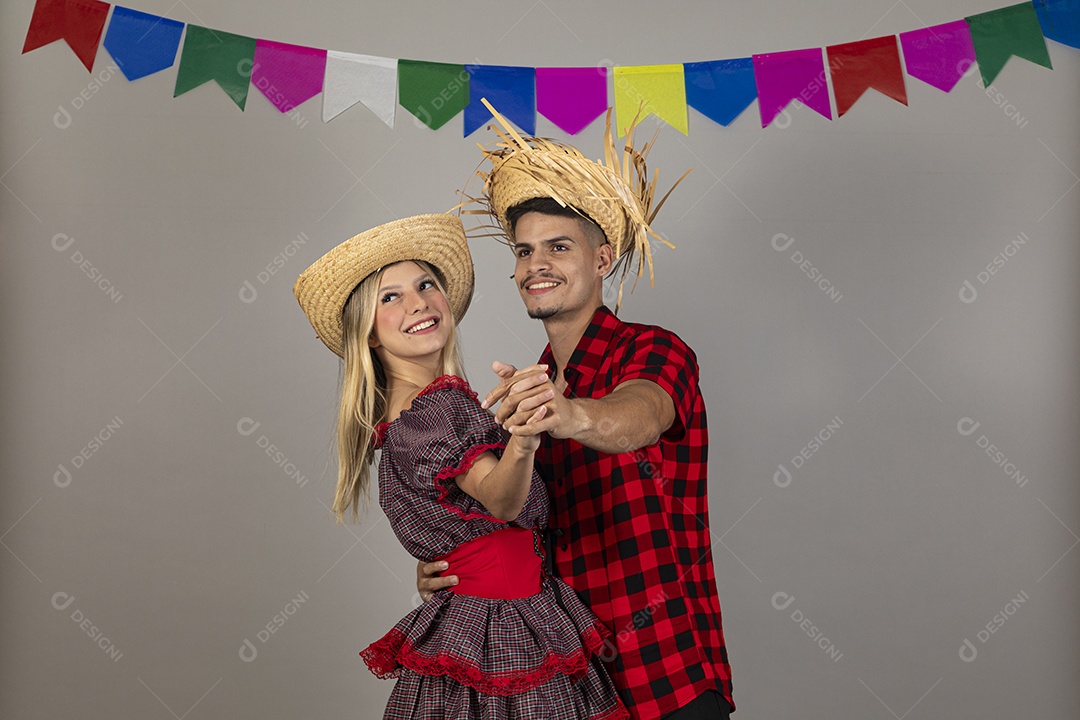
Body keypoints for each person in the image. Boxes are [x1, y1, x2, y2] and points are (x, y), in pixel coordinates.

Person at [419, 105, 735, 719]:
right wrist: (454, 570)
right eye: (524, 251)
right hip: (562, 683)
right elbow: (506, 519)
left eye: (558, 247)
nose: (535, 265)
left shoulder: (653, 349)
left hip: (664, 674)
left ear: (602, 256)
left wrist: (568, 416)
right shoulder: (523, 393)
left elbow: (635, 415)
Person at [293, 213, 629, 719]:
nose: (418, 302)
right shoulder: (437, 409)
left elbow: (459, 523)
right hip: (504, 621)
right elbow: (501, 498)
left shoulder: (409, 413)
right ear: (369, 335)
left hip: (486, 613)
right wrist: (521, 439)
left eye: (426, 284)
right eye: (391, 297)